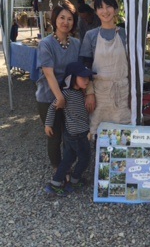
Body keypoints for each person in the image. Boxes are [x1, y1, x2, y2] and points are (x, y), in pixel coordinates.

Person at [36, 0, 80, 173]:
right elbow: (48, 73)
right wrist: (59, 98)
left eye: (69, 19)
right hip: (48, 96)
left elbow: (80, 70)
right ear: (54, 19)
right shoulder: (46, 44)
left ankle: (68, 166)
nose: (65, 22)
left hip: (70, 96)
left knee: (71, 134)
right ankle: (57, 169)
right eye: (62, 18)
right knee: (54, 136)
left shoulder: (76, 43)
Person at [79, 0, 131, 138]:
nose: (105, 11)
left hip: (122, 93)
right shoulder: (91, 35)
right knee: (100, 134)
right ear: (96, 11)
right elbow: (85, 67)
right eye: (100, 7)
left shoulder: (125, 35)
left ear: (115, 9)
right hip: (99, 93)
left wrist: (133, 94)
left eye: (108, 6)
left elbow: (132, 67)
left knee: (123, 135)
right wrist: (89, 93)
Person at [44, 61, 95, 196]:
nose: (87, 80)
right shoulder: (66, 94)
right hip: (77, 134)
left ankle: (55, 183)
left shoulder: (80, 93)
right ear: (71, 78)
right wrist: (48, 124)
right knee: (85, 158)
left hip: (75, 133)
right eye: (83, 78)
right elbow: (52, 108)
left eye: (88, 78)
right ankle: (74, 180)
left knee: (68, 159)